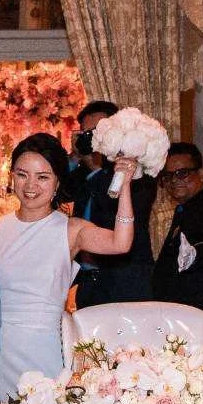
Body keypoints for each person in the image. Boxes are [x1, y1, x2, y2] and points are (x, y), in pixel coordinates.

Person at [0, 133, 139, 402]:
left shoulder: (71, 229)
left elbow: (120, 243)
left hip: (45, 347)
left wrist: (124, 187)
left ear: (57, 183)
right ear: (12, 177)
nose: (30, 185)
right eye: (22, 174)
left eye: (42, 177)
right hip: (0, 349)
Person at [64, 100, 158, 307]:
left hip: (127, 281)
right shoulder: (82, 174)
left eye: (98, 133)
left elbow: (113, 209)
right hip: (90, 282)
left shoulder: (136, 172)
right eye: (87, 134)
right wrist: (76, 155)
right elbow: (59, 192)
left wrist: (98, 167)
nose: (94, 140)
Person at [151, 142, 203, 310]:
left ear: (201, 174)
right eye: (168, 176)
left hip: (198, 316)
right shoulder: (186, 209)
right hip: (178, 315)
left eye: (182, 173)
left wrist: (193, 254)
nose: (174, 180)